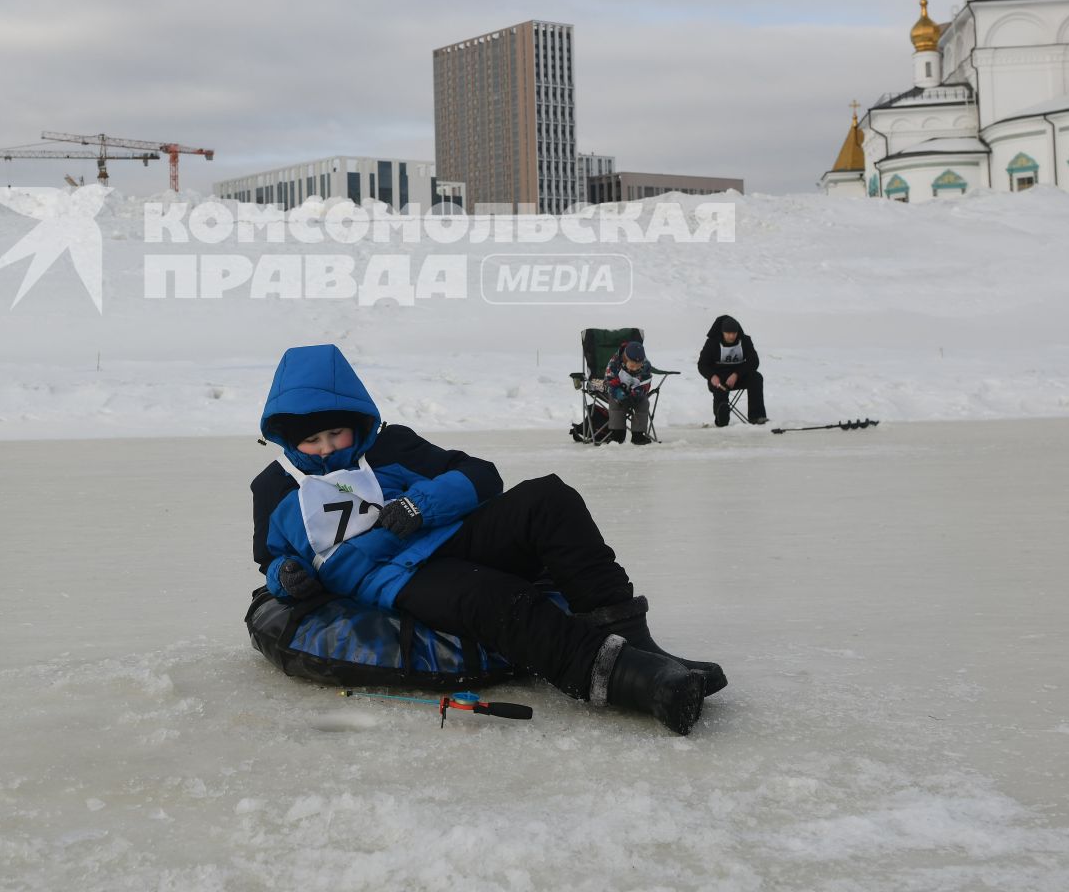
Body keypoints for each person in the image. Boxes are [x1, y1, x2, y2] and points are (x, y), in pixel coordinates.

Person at [251, 343, 726, 735]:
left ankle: (635, 641)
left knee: (549, 498)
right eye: (313, 441)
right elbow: (270, 560)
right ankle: (637, 680)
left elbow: (480, 476)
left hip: (450, 535)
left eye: (336, 432)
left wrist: (421, 506)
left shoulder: (391, 445)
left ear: (355, 421)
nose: (329, 448)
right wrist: (285, 576)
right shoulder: (276, 487)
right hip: (394, 580)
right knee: (495, 598)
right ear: (290, 439)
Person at [697, 314, 765, 427]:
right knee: (720, 389)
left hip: (739, 376)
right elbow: (702, 364)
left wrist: (736, 374)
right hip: (719, 379)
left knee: (756, 377)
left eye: (734, 333)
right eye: (728, 333)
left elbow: (754, 362)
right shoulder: (712, 343)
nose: (731, 336)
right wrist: (711, 376)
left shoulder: (745, 340)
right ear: (722, 332)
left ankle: (757, 416)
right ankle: (721, 418)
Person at [601, 339, 655, 444]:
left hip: (636, 391)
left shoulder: (646, 364)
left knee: (643, 403)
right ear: (625, 360)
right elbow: (610, 382)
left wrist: (637, 394)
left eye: (638, 366)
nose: (635, 369)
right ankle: (617, 434)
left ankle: (638, 435)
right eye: (632, 366)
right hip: (618, 390)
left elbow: (646, 383)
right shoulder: (614, 363)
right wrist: (620, 395)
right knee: (616, 404)